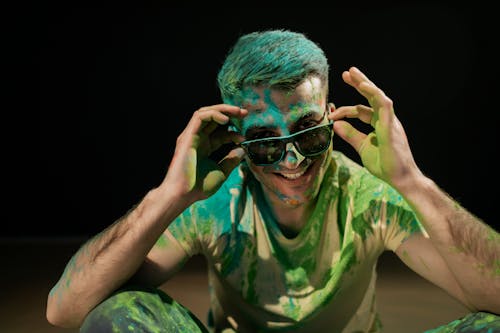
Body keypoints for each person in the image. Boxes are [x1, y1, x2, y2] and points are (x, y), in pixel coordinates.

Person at [46, 29, 499, 333]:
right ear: (235, 139)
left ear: (330, 117)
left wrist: (413, 182)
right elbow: (65, 310)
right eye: (264, 140)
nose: (292, 158)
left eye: (308, 131)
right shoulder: (217, 200)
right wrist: (167, 196)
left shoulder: (366, 196)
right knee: (114, 313)